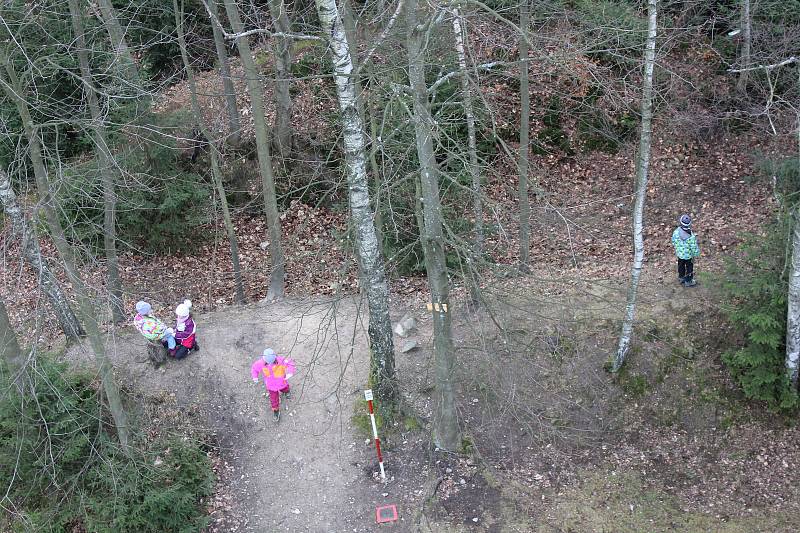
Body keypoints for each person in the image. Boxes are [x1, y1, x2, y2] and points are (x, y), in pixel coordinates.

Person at [251, 348, 295, 422]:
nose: (270, 364)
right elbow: (254, 368)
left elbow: (290, 362)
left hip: (281, 382)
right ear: (264, 359)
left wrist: (290, 372)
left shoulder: (280, 360)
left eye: (272, 362)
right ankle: (276, 411)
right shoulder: (260, 363)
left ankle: (287, 392)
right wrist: (254, 376)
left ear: (275, 357)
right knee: (274, 400)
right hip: (271, 386)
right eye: (268, 362)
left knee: (285, 388)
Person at [671, 214, 700, 287]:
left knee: (680, 265)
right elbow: (694, 247)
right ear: (689, 224)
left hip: (680, 254)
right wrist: (696, 254)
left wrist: (677, 248)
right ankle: (688, 281)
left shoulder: (676, 232)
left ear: (680, 222)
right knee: (689, 267)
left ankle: (681, 277)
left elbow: (673, 241)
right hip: (689, 256)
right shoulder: (691, 236)